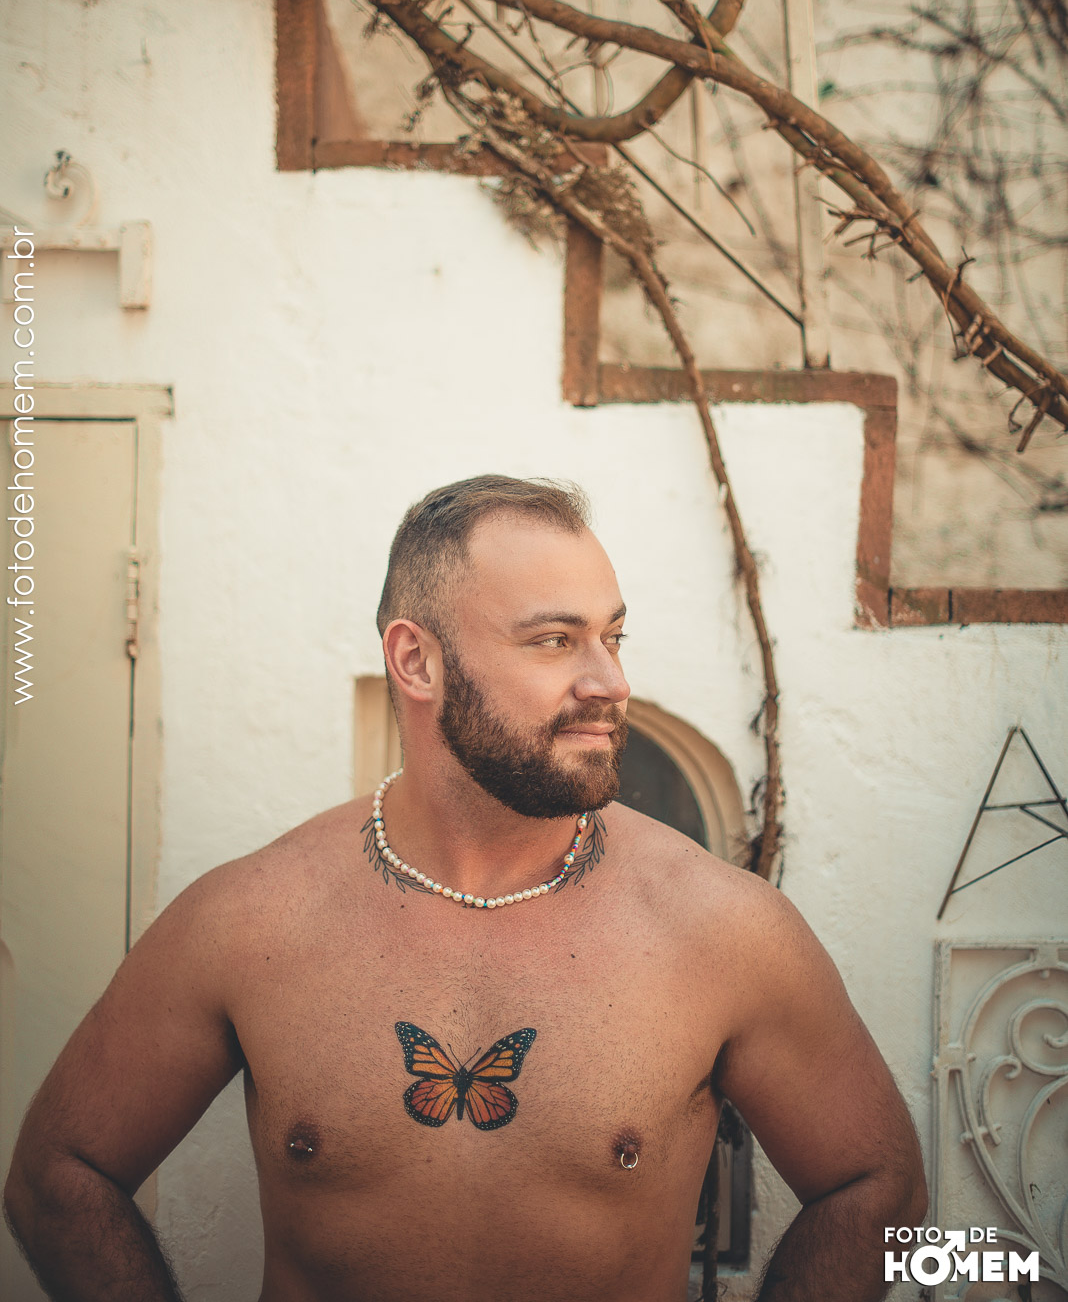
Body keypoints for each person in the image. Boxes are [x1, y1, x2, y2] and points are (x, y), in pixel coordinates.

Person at [4, 474, 926, 1301]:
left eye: (612, 636)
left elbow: (882, 1191)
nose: (611, 681)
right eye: (555, 640)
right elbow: (55, 1177)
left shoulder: (723, 930)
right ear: (416, 661)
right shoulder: (252, 921)